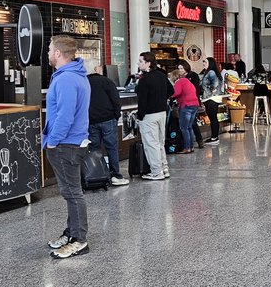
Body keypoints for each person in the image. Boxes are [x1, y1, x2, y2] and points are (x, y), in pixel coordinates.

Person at [43, 35, 91, 259]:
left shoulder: (66, 79)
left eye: (50, 49)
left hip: (66, 144)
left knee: (72, 193)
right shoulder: (77, 76)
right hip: (72, 142)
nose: (48, 53)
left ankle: (79, 240)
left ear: (59, 54)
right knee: (71, 192)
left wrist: (53, 140)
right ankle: (72, 232)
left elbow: (65, 115)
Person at [86, 66, 128, 186]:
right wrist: (116, 114)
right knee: (111, 147)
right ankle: (115, 175)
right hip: (108, 119)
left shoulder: (83, 83)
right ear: (97, 70)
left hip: (91, 120)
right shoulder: (107, 81)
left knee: (94, 148)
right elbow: (116, 100)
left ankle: (97, 174)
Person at [135, 52, 171, 181]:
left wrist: (140, 116)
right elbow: (171, 91)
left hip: (149, 116)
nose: (138, 64)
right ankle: (164, 168)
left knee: (151, 144)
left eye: (140, 61)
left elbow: (142, 101)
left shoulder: (144, 80)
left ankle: (156, 171)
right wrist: (160, 99)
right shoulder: (161, 76)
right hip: (162, 113)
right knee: (160, 143)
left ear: (148, 63)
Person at [171, 64, 200, 154]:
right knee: (189, 127)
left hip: (186, 105)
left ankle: (187, 147)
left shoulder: (179, 82)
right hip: (194, 104)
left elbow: (176, 93)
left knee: (184, 128)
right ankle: (191, 146)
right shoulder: (187, 81)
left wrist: (169, 96)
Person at [200, 57, 225, 144]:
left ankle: (214, 138)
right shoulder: (214, 72)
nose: (203, 63)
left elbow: (214, 85)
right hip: (214, 98)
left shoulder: (211, 72)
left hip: (211, 98)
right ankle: (214, 137)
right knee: (213, 118)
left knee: (213, 118)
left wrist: (208, 92)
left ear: (210, 63)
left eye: (205, 62)